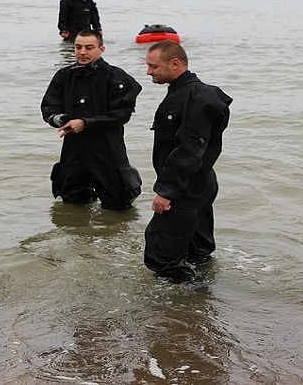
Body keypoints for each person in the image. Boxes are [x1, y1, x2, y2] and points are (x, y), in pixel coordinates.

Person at [143, 40, 232, 283]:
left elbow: (190, 149)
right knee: (198, 250)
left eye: (153, 66)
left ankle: (182, 308)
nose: (148, 71)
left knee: (161, 255)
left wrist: (166, 192)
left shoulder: (197, 98)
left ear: (175, 64)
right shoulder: (183, 93)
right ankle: (203, 299)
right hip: (200, 183)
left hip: (186, 187)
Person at [40, 30, 142, 210]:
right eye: (78, 47)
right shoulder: (64, 76)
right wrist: (61, 120)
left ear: (101, 49)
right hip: (74, 151)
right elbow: (49, 107)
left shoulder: (117, 77)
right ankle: (79, 237)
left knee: (118, 206)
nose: (82, 52)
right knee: (72, 205)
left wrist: (86, 123)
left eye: (89, 48)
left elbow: (121, 114)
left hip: (108, 150)